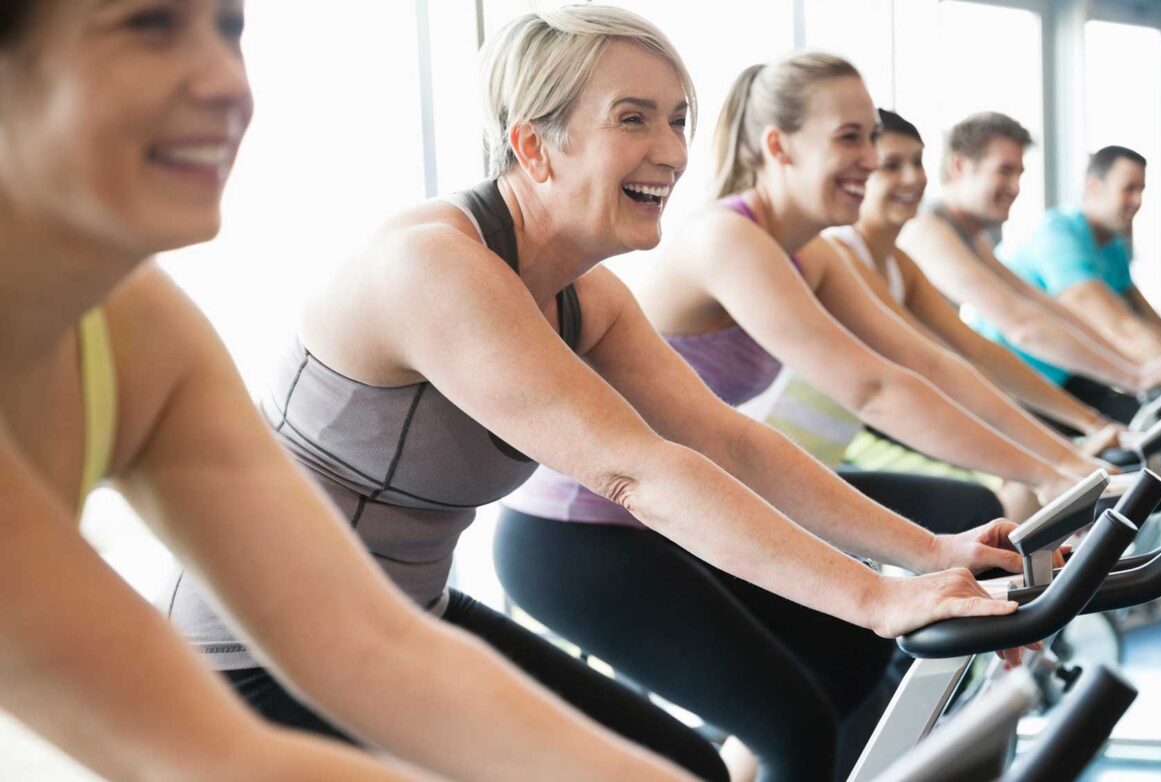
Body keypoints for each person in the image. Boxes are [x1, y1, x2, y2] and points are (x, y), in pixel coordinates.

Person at [0, 2, 703, 780]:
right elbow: (207, 752)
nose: (228, 82)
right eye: (149, 26)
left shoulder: (141, 327)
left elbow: (371, 644)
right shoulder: (429, 263)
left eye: (231, 32)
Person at [493, 53, 1050, 782]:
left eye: (870, 139)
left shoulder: (809, 253)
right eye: (851, 138)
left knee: (847, 664)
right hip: (584, 535)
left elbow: (926, 363)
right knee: (790, 723)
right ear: (780, 146)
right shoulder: (727, 239)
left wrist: (1061, 466)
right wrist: (1034, 478)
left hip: (679, 509)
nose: (873, 161)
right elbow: (871, 390)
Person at [764, 109, 1125, 519]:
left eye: (917, 162)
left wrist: (1081, 434)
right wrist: (1057, 456)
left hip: (840, 444)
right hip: (824, 448)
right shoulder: (842, 252)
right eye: (891, 166)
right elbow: (928, 369)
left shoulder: (900, 264)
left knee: (1017, 489)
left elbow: (974, 352)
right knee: (994, 500)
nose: (913, 178)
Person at [900, 112, 1161, 423]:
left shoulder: (971, 236)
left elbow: (1040, 304)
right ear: (959, 166)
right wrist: (1134, 376)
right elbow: (1021, 326)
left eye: (1019, 173)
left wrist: (1133, 370)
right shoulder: (925, 228)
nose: (1015, 187)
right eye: (1004, 171)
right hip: (917, 403)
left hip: (977, 386)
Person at [997, 145, 1161, 368]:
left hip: (1061, 372)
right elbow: (1118, 328)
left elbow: (1149, 320)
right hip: (1010, 374)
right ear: (1094, 187)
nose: (1138, 201)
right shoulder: (1058, 236)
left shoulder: (1113, 246)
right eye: (1129, 189)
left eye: (1141, 190)